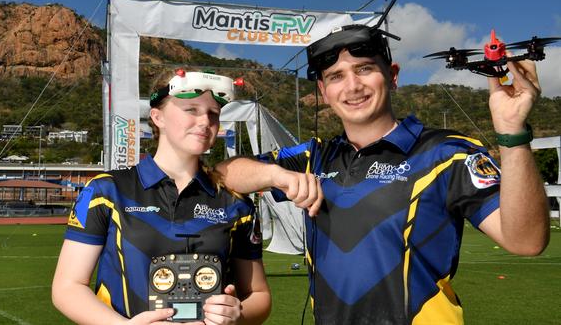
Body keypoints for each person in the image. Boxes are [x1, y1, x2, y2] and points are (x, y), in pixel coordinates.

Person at [216, 23, 550, 324]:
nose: (353, 86)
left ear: (392, 75)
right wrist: (279, 177)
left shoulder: (447, 152)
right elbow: (224, 173)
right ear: (323, 92)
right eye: (336, 76)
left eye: (364, 69)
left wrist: (512, 133)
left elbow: (527, 241)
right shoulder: (313, 156)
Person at [53, 69, 271, 325]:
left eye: (213, 113)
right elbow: (68, 287)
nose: (205, 122)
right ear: (157, 117)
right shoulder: (106, 191)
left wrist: (238, 314)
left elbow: (259, 295)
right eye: (191, 110)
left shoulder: (235, 203)